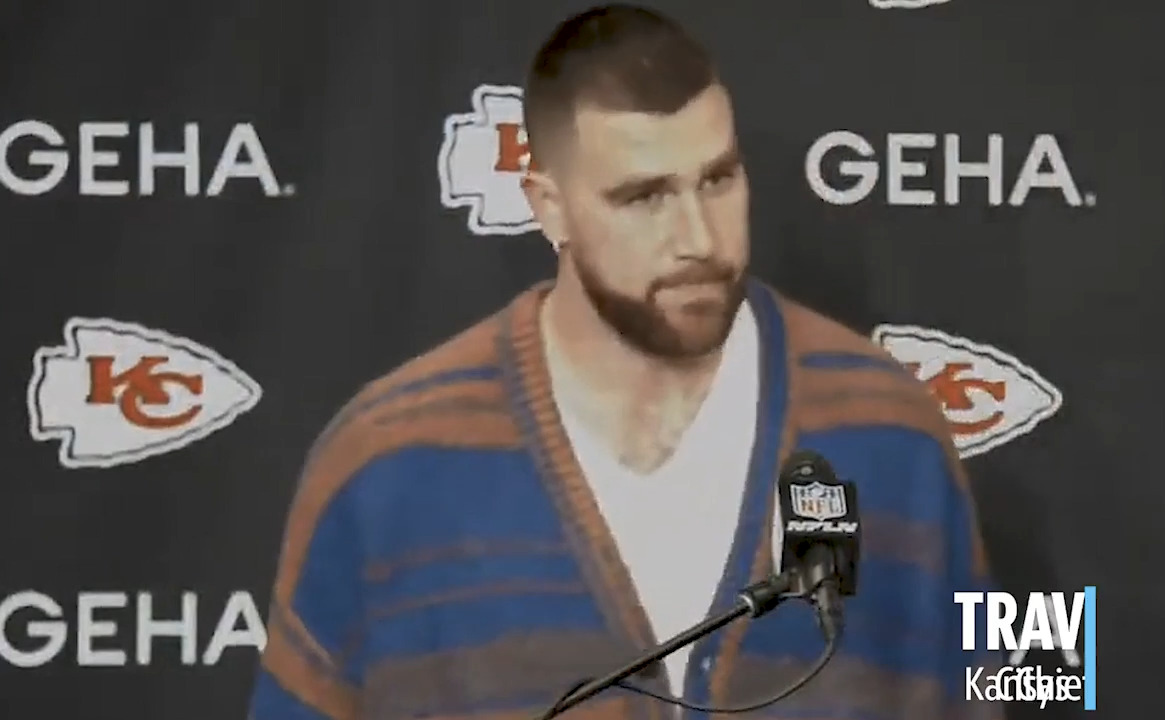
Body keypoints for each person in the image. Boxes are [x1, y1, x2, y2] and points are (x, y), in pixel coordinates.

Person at [247, 5, 1002, 719]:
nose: (699, 237)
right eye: (644, 198)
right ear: (548, 206)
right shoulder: (385, 466)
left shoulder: (892, 426)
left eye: (719, 179)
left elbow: (1013, 685)